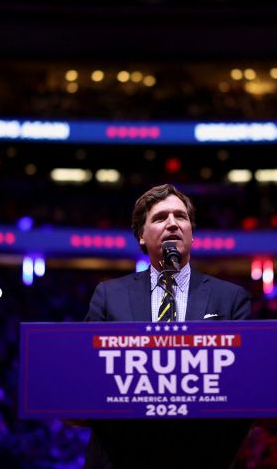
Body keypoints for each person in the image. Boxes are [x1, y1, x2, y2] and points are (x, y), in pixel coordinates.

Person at [83, 184, 252, 469]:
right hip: (120, 454)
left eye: (180, 216)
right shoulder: (109, 295)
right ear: (141, 236)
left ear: (192, 234)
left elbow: (245, 382)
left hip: (202, 455)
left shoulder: (231, 298)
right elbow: (87, 372)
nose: (173, 223)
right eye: (160, 218)